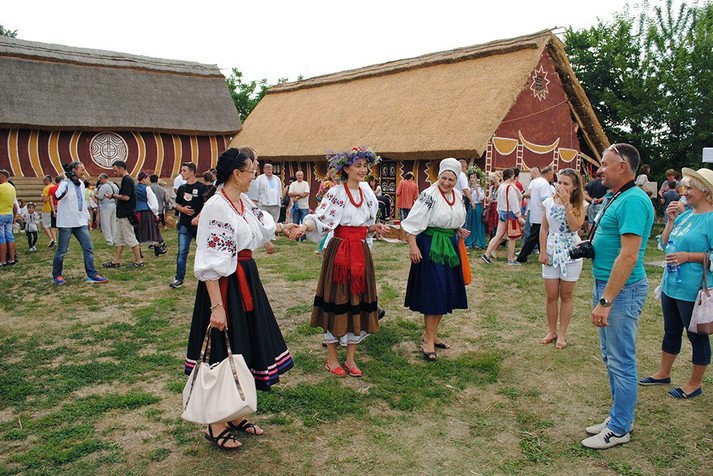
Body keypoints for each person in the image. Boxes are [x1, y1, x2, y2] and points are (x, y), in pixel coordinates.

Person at [184, 148, 293, 450]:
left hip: (245, 278)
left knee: (242, 345)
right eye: (251, 172)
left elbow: (261, 227)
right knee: (222, 349)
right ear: (237, 174)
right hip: (224, 285)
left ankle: (234, 413)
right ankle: (215, 424)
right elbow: (209, 262)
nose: (253, 177)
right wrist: (217, 306)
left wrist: (284, 228)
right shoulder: (217, 207)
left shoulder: (243, 202)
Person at [290, 146, 389, 377]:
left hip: (360, 251)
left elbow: (364, 225)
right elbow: (321, 219)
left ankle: (351, 358)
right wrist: (304, 227)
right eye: (358, 166)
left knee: (357, 300)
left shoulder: (367, 194)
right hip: (340, 252)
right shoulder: (336, 193)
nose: (363, 170)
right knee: (336, 299)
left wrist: (374, 227)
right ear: (346, 168)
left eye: (365, 166)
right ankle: (332, 359)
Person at [582, 143, 654, 450]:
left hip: (621, 292)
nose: (599, 170)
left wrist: (606, 301)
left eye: (604, 164)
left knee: (621, 360)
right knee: (611, 356)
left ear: (622, 167)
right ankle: (619, 417)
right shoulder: (618, 196)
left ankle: (620, 428)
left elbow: (629, 256)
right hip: (609, 288)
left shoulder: (633, 200)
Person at [639, 167, 713, 399]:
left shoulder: (711, 220)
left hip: (694, 290)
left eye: (690, 188)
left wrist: (688, 257)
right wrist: (670, 221)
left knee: (697, 336)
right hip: (671, 285)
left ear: (705, 191)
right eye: (685, 187)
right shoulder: (685, 216)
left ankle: (694, 384)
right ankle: (663, 373)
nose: (685, 192)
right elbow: (665, 243)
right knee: (670, 331)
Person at [402, 158, 469, 361]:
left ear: (457, 180)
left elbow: (450, 217)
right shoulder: (428, 196)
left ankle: (430, 334)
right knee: (435, 291)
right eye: (443, 178)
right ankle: (428, 340)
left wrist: (456, 228)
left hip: (449, 246)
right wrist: (413, 246)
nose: (446, 182)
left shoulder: (457, 196)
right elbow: (412, 223)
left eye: (451, 179)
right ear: (438, 176)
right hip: (431, 246)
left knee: (445, 291)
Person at [538, 169, 587, 350]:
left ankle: (562, 334)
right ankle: (551, 331)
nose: (561, 186)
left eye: (566, 183)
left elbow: (575, 226)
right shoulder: (549, 202)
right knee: (551, 295)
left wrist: (567, 203)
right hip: (551, 251)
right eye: (560, 182)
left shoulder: (580, 204)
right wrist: (543, 251)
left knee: (566, 295)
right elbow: (544, 228)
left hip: (571, 253)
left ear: (575, 187)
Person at [51, 162, 108, 285]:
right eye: (81, 170)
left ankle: (92, 274)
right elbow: (57, 196)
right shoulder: (64, 183)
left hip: (80, 222)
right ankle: (57, 275)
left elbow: (82, 202)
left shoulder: (81, 184)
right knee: (62, 251)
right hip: (66, 223)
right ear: (74, 170)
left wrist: (86, 218)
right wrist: (65, 180)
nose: (83, 172)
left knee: (88, 248)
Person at [171, 162, 208, 288]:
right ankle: (179, 278)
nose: (182, 173)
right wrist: (182, 210)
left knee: (203, 251)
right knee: (182, 251)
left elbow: (206, 205)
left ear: (192, 172)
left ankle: (206, 277)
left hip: (199, 226)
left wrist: (198, 217)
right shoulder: (182, 188)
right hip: (184, 224)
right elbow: (177, 204)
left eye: (184, 170)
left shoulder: (202, 187)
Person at [102, 161, 143, 268]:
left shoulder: (127, 180)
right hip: (122, 214)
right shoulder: (126, 180)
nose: (114, 173)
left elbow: (126, 197)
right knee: (119, 239)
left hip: (126, 213)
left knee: (130, 238)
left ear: (121, 169)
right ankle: (116, 261)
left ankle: (139, 261)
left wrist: (113, 196)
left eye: (115, 170)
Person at [482, 168, 524, 265]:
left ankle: (487, 253)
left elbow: (499, 201)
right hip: (510, 213)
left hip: (502, 212)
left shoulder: (501, 186)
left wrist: (499, 212)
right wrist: (518, 216)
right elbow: (514, 203)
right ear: (510, 176)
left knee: (498, 235)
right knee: (512, 237)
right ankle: (510, 259)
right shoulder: (510, 188)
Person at [516, 166, 554, 263]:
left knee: (537, 236)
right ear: (549, 174)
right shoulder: (544, 184)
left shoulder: (536, 182)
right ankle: (522, 257)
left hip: (535, 212)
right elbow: (545, 200)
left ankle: (543, 254)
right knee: (533, 237)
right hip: (541, 214)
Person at [134, 172, 166, 256]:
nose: (148, 180)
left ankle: (138, 251)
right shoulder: (147, 188)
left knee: (138, 231)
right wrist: (156, 213)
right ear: (143, 179)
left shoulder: (135, 187)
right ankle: (156, 248)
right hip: (147, 211)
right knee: (153, 229)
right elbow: (152, 202)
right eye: (147, 178)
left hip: (137, 211)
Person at [0, 169, 18, 266]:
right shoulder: (12, 188)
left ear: (2, 176)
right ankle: (12, 258)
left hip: (1, 214)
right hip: (9, 214)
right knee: (10, 236)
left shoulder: (1, 187)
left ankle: (3, 260)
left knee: (1, 238)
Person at [464, 172, 486, 249]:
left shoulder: (480, 187)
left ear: (477, 178)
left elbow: (481, 198)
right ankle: (469, 241)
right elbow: (466, 196)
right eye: (471, 177)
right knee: (470, 223)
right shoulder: (468, 187)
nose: (472, 179)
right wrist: (471, 191)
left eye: (474, 177)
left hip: (477, 206)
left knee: (478, 223)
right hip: (471, 206)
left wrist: (476, 190)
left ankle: (479, 242)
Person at [96, 174, 119, 245]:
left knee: (106, 223)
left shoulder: (104, 186)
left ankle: (109, 240)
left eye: (100, 180)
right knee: (113, 223)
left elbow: (100, 197)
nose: (100, 182)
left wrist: (95, 196)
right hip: (113, 205)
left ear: (103, 179)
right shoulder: (114, 185)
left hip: (105, 206)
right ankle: (115, 239)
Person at [584, 170, 607, 234]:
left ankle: (590, 237)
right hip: (601, 205)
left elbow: (585, 194)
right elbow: (608, 194)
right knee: (600, 222)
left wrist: (592, 200)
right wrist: (599, 200)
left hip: (591, 205)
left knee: (590, 222)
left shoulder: (589, 184)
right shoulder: (605, 184)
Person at [40, 174, 57, 247]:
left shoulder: (46, 188)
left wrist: (43, 197)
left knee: (45, 225)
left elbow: (44, 200)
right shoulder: (54, 187)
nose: (43, 181)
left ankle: (51, 238)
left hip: (47, 208)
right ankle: (55, 238)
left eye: (44, 180)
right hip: (54, 209)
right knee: (53, 226)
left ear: (47, 180)